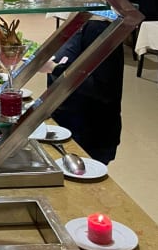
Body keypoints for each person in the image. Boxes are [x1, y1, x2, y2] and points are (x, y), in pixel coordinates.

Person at [44, 19, 124, 164]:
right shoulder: (77, 22)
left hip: (89, 133)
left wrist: (54, 68)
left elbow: (102, 88)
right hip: (64, 124)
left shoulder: (98, 29)